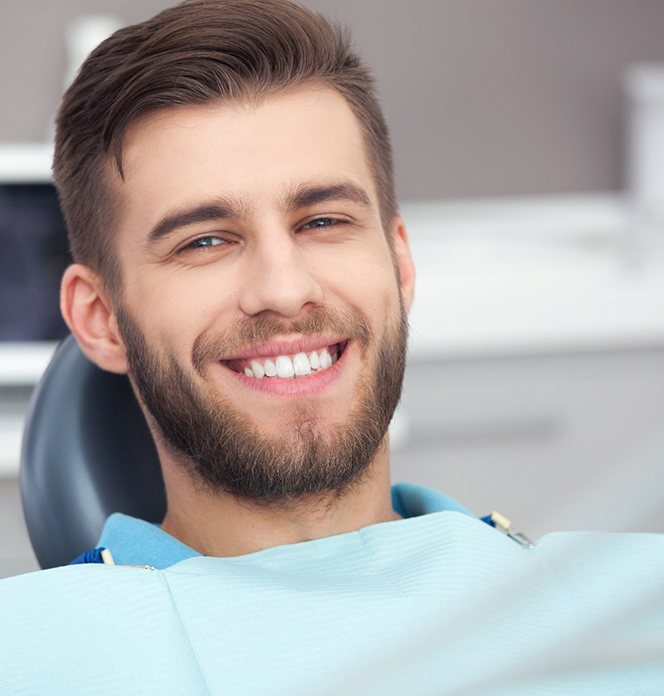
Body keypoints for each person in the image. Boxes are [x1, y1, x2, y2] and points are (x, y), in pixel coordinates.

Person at [1, 1, 663, 693]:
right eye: (204, 240)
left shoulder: (633, 605)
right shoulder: (27, 653)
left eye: (322, 220)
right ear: (100, 318)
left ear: (399, 263)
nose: (284, 290)